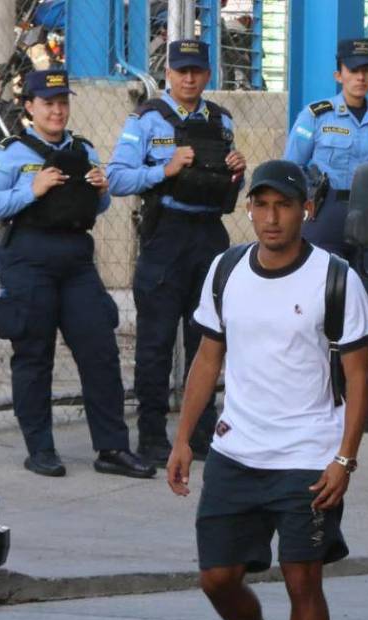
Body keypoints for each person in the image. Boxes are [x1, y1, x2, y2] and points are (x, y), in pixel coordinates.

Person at [167, 159, 368, 620]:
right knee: (217, 578)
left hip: (308, 455)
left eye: (282, 205)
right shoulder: (226, 269)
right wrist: (184, 438)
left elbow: (359, 378)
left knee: (301, 578)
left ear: (305, 209)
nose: (270, 217)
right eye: (260, 205)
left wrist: (344, 459)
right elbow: (208, 357)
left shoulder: (334, 279)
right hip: (238, 449)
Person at [0, 69, 154, 479]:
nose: (57, 111)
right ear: (29, 108)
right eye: (48, 104)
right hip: (27, 259)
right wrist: (32, 190)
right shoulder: (8, 152)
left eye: (62, 103)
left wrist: (99, 190)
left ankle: (111, 448)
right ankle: (40, 449)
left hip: (76, 260)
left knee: (99, 351)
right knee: (34, 356)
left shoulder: (84, 150)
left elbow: (100, 207)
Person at [107, 39, 248, 466]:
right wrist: (163, 169)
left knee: (207, 340)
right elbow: (117, 178)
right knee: (155, 342)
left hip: (209, 236)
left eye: (196, 71)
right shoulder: (147, 120)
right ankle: (152, 437)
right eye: (181, 70)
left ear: (208, 75)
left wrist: (237, 174)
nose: (189, 78)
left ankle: (201, 436)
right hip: (166, 236)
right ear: (169, 73)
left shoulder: (221, 121)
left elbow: (227, 185)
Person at [283, 37, 368, 439]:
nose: (361, 77)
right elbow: (291, 168)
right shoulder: (316, 116)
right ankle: (318, 402)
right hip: (327, 214)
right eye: (354, 70)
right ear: (339, 74)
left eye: (367, 70)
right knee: (320, 310)